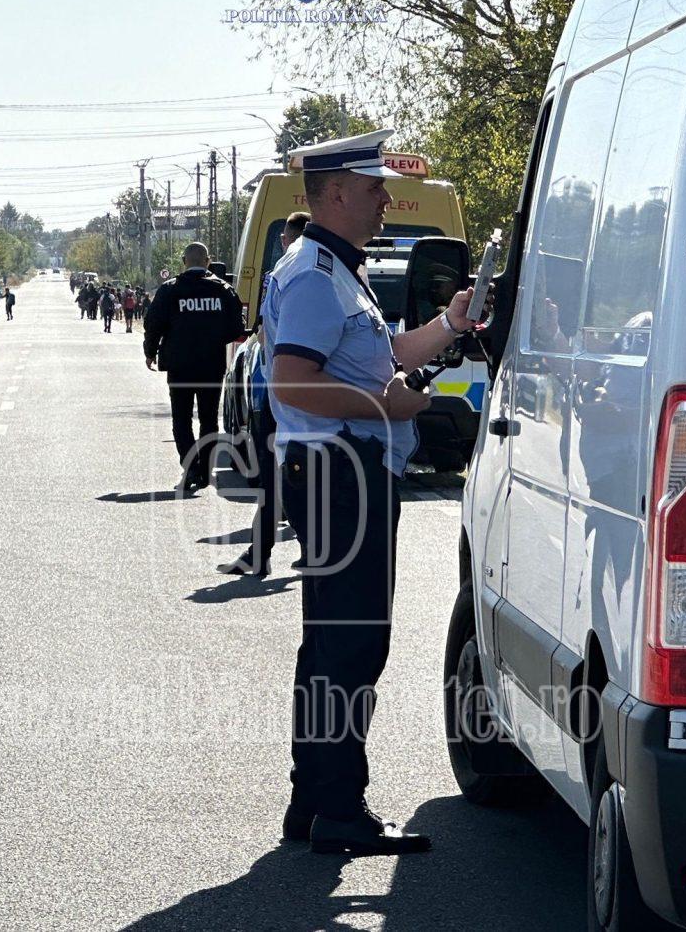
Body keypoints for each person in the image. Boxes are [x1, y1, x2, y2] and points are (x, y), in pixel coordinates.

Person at [263, 129, 474, 856]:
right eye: (376, 186)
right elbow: (293, 382)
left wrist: (451, 324)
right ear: (338, 193)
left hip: (340, 471)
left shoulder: (334, 270)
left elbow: (382, 357)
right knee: (350, 646)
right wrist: (390, 408)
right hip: (340, 473)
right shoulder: (318, 275)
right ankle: (339, 812)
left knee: (333, 643)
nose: (387, 197)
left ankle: (314, 802)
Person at [219, 210, 311, 577]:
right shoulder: (339, 272)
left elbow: (265, 333)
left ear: (288, 239)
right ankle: (273, 549)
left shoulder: (284, 274)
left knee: (282, 476)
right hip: (297, 393)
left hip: (275, 392)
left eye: (284, 240)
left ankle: (274, 550)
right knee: (290, 476)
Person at [143, 242, 245, 493]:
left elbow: (153, 323)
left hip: (180, 365)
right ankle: (204, 470)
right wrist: (212, 336)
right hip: (211, 364)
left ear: (183, 261)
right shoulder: (223, 290)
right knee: (209, 419)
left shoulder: (170, 290)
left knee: (181, 417)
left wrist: (150, 352)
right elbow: (236, 328)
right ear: (208, 261)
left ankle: (190, 465)